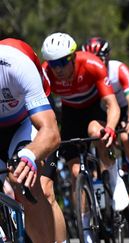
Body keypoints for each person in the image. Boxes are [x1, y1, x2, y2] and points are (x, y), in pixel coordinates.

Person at [40, 32, 128, 242]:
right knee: (75, 172)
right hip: (70, 114)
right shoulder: (46, 73)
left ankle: (114, 178)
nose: (58, 69)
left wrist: (111, 128)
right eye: (53, 64)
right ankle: (85, 228)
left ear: (73, 57)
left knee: (95, 132)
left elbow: (112, 105)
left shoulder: (92, 64)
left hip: (94, 109)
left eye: (62, 62)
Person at [0, 38, 68, 243]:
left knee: (27, 182)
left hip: (26, 122)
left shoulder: (16, 63)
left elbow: (51, 132)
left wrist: (30, 155)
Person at [82, 37, 129, 182]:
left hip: (124, 109)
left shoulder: (119, 69)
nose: (96, 62)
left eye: (100, 58)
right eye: (92, 59)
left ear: (108, 56)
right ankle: (109, 172)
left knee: (125, 137)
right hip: (104, 111)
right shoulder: (86, 75)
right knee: (97, 134)